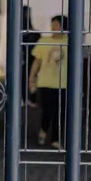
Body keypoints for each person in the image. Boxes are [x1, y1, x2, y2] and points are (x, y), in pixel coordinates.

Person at [29, 14, 68, 148]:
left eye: (57, 24)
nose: (54, 27)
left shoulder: (70, 41)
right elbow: (36, 62)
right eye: (53, 24)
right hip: (45, 82)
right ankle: (44, 130)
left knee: (60, 111)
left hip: (63, 83)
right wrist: (31, 79)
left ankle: (55, 139)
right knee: (47, 110)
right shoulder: (43, 41)